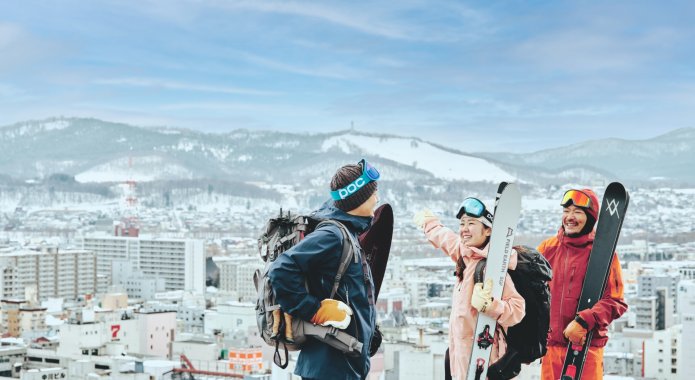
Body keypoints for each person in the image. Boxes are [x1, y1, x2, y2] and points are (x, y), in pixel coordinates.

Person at [268, 159, 380, 380]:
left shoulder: (349, 232)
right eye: (373, 193)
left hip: (341, 360)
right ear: (359, 199)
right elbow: (281, 270)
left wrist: (368, 332)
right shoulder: (333, 235)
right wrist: (313, 310)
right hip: (329, 365)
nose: (377, 198)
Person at [414, 197, 525, 379]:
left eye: (471, 223)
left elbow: (518, 310)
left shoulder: (492, 266)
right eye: (462, 223)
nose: (464, 229)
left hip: (484, 359)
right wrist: (429, 223)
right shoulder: (465, 254)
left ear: (488, 230)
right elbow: (445, 238)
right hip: (460, 357)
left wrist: (489, 305)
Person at [538, 188, 628, 380]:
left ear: (590, 217)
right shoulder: (548, 248)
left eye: (577, 212)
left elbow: (616, 301)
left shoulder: (603, 254)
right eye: (566, 211)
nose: (570, 217)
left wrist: (584, 321)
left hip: (586, 349)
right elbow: (529, 288)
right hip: (551, 349)